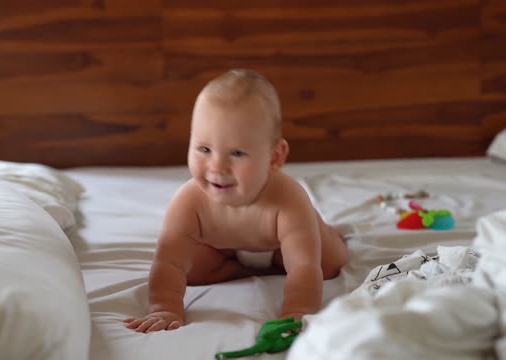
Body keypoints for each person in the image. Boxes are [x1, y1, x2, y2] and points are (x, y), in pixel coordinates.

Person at [123, 69, 348, 333]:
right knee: (191, 270)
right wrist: (165, 306)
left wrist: (297, 312)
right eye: (204, 149)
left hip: (282, 245)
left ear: (275, 158)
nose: (217, 167)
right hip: (223, 249)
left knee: (328, 264)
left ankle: (325, 236)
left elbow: (302, 267)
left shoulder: (289, 199)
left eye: (237, 153)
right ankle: (244, 271)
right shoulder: (189, 200)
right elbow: (168, 262)